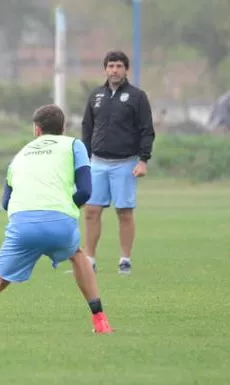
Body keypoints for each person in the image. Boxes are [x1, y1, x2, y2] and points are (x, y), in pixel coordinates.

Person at [0, 104, 113, 335]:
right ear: (63, 128)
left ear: (36, 130)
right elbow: (86, 191)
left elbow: (5, 202)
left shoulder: (20, 155)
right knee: (77, 256)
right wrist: (65, 207)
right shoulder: (74, 144)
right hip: (60, 223)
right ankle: (100, 320)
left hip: (22, 224)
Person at [81, 50, 155, 274]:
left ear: (126, 70)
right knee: (91, 211)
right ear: (105, 69)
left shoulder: (137, 96)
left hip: (125, 162)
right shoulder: (96, 96)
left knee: (124, 211)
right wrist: (84, 159)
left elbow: (147, 130)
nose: (114, 70)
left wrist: (143, 160)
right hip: (97, 162)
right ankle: (89, 260)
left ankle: (125, 259)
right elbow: (87, 128)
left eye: (119, 66)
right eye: (111, 66)